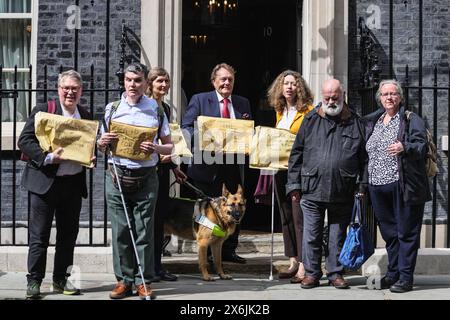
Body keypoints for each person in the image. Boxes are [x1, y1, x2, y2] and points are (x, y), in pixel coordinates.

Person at [97, 62, 173, 300]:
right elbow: (100, 145)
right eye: (129, 80)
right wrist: (101, 142)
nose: (133, 85)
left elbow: (170, 145)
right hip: (116, 175)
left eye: (138, 80)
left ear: (145, 83)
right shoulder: (112, 108)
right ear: (124, 81)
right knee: (120, 231)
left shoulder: (156, 110)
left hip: (146, 177)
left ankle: (143, 281)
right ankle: (123, 281)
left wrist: (156, 147)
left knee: (144, 231)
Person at [18, 70, 94, 299]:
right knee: (39, 236)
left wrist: (91, 158)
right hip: (45, 183)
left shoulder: (85, 115)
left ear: (81, 91)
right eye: (66, 88)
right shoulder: (44, 110)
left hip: (72, 184)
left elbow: (87, 148)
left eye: (75, 88)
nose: (70, 92)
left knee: (67, 236)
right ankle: (34, 282)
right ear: (59, 89)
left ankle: (60, 279)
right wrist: (49, 157)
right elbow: (25, 140)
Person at [286, 79, 367, 289]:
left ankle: (335, 273)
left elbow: (364, 159)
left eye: (335, 97)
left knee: (337, 235)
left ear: (343, 95)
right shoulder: (310, 120)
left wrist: (362, 185)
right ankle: (312, 273)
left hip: (343, 189)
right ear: (322, 97)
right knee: (311, 235)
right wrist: (294, 185)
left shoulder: (356, 122)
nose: (331, 101)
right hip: (312, 188)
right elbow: (296, 154)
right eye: (327, 98)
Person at [363, 79, 431, 293]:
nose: (389, 97)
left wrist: (405, 146)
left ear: (400, 97)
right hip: (377, 186)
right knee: (390, 234)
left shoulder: (411, 119)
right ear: (380, 99)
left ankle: (405, 277)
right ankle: (393, 274)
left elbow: (422, 147)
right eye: (385, 94)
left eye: (393, 94)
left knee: (406, 233)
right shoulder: (373, 121)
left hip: (402, 185)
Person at [182, 62, 252, 264]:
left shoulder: (242, 103)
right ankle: (209, 253)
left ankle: (229, 250)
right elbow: (186, 127)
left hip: (232, 165)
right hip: (205, 165)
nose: (226, 83)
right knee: (208, 211)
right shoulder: (200, 99)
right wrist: (204, 137)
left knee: (235, 208)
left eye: (230, 79)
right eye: (223, 79)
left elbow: (248, 130)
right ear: (214, 81)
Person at [266, 70, 314, 282]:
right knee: (285, 216)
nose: (289, 87)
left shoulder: (309, 111)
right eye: (285, 83)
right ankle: (293, 260)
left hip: (299, 171)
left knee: (299, 217)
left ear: (300, 87)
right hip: (280, 169)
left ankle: (304, 265)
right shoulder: (279, 111)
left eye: (293, 84)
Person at [145, 67, 187, 282]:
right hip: (146, 170)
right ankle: (146, 269)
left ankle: (157, 267)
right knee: (148, 220)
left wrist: (174, 167)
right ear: (150, 83)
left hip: (162, 169)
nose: (164, 85)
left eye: (167, 82)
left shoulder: (167, 109)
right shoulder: (144, 106)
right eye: (160, 81)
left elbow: (167, 141)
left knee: (159, 219)